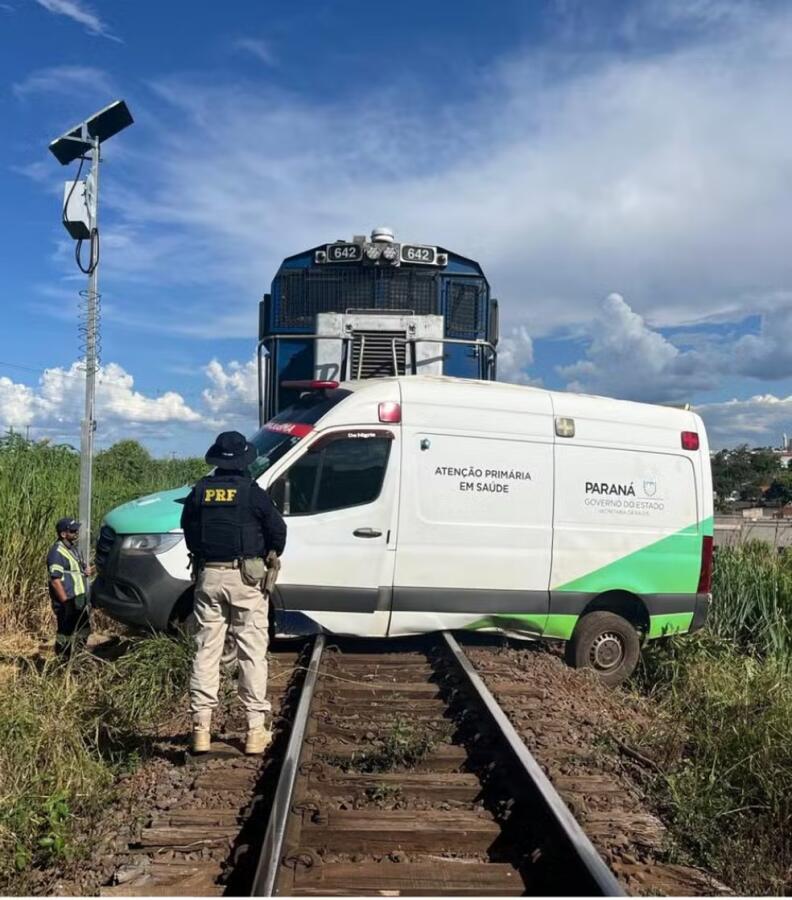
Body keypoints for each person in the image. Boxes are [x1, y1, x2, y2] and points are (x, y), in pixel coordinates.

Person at [180, 430, 287, 755]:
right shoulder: (252, 493)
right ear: (244, 460)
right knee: (251, 652)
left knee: (206, 650)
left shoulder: (200, 491)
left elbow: (188, 530)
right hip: (246, 580)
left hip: (208, 576)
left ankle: (201, 728)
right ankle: (255, 731)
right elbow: (278, 532)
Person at [47, 517, 92, 658]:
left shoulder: (73, 549)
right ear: (63, 534)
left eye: (76, 530)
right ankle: (62, 661)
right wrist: (65, 603)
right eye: (72, 530)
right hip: (67, 600)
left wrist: (86, 570)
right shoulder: (56, 552)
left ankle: (78, 656)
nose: (76, 532)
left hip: (78, 599)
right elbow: (55, 580)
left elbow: (77, 570)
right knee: (65, 633)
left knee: (84, 629)